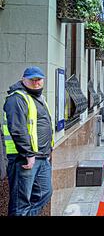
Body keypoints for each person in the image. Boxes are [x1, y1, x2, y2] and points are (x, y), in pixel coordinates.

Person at [3, 67, 54, 216]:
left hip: (42, 157)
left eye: (38, 79)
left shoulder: (38, 98)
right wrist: (28, 154)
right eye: (32, 79)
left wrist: (48, 150)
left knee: (45, 193)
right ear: (23, 79)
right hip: (24, 159)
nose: (36, 82)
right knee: (21, 202)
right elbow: (17, 129)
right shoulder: (17, 98)